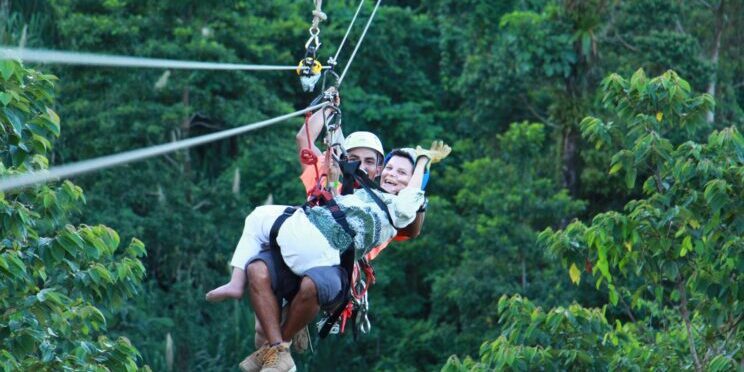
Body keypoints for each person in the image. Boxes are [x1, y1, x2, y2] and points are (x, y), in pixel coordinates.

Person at [207, 141, 450, 372]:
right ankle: (269, 334)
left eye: (402, 173)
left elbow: (413, 201)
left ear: (413, 185)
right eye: (389, 168)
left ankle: (271, 335)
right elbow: (331, 161)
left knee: (265, 226)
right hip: (311, 237)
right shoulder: (362, 192)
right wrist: (328, 119)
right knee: (259, 231)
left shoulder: (400, 211)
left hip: (329, 258)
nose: (392, 175)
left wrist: (422, 161)